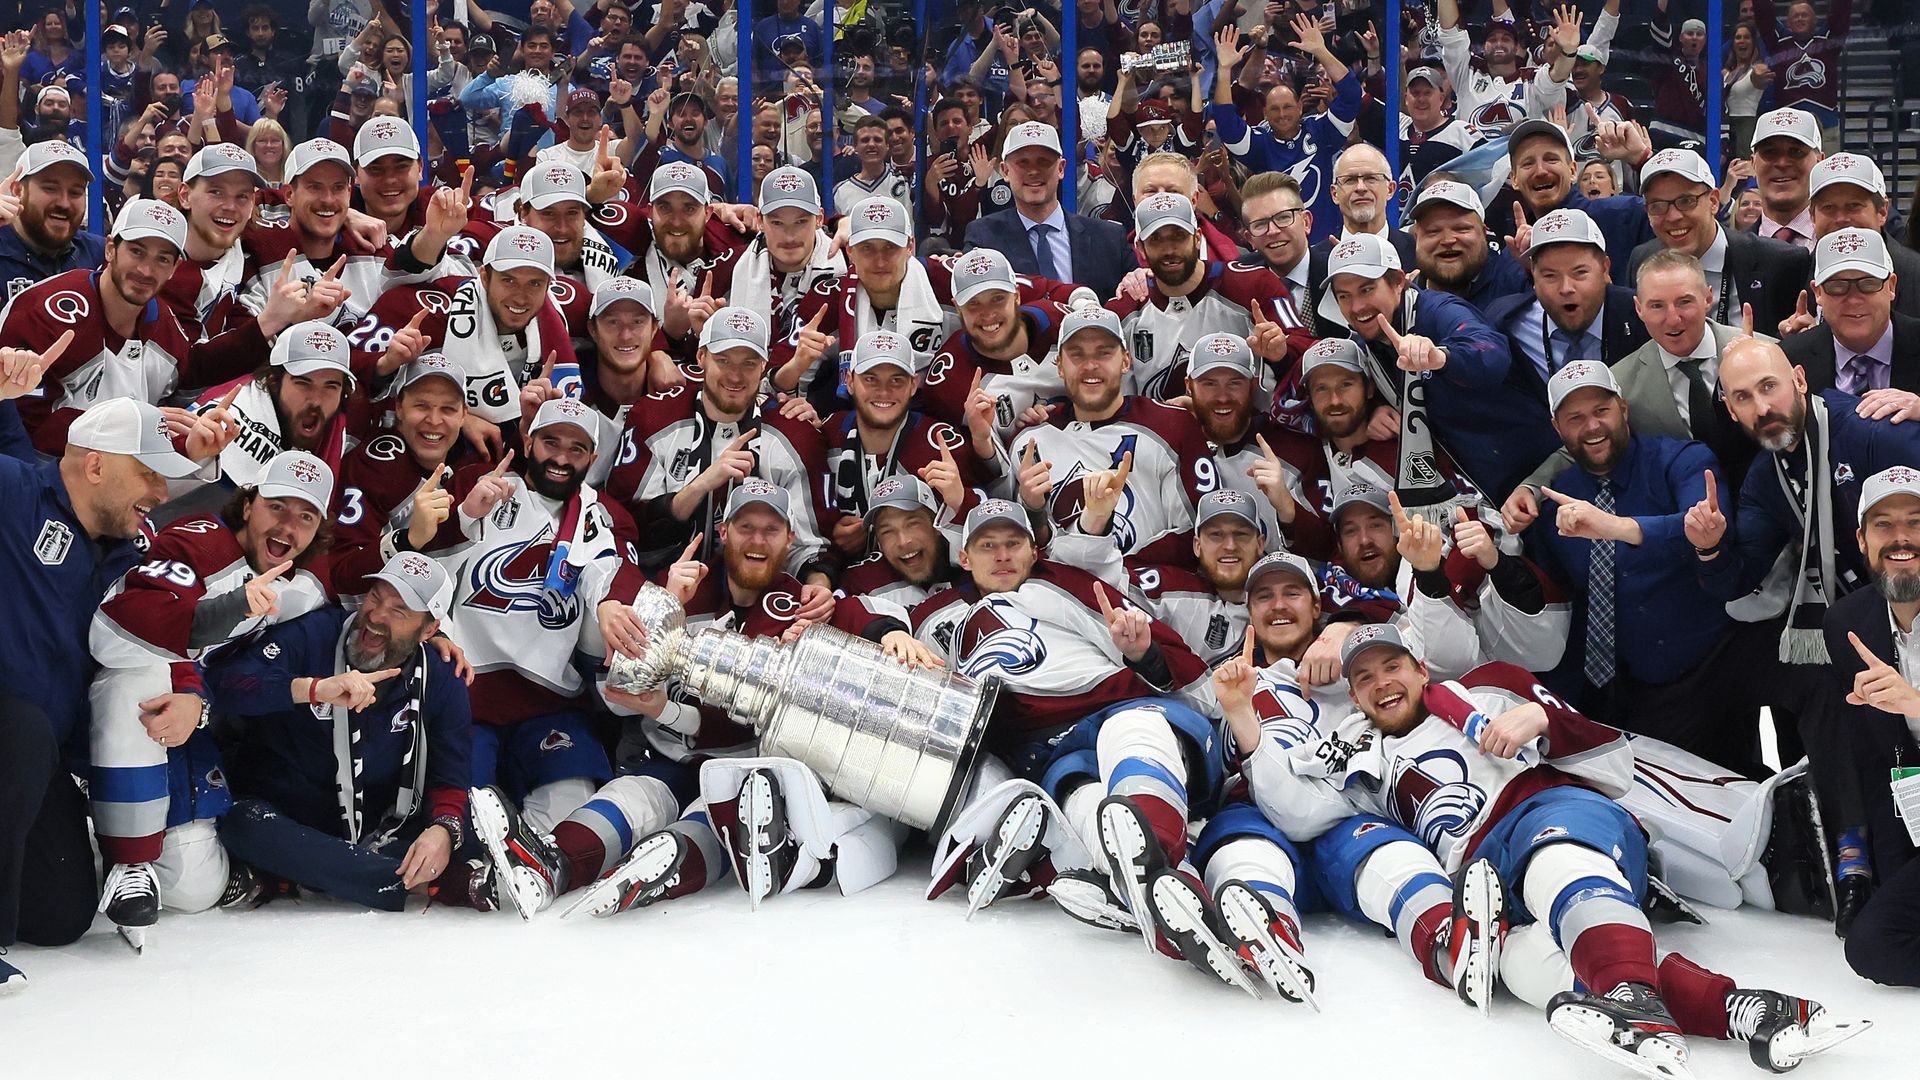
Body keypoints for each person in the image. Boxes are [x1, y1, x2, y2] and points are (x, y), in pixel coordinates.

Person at [1248, 622, 1863, 1076]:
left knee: (1556, 862)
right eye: (1364, 679)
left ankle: (1629, 997)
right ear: (1353, 698)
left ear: (1419, 666)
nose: (1382, 684)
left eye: (1392, 667)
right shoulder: (1358, 760)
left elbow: (1618, 762)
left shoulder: (1486, 690)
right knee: (1519, 958)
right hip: (1481, 871)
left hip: (1549, 810)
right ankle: (1750, 1010)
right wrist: (1240, 717)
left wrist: (1544, 723)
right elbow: (1300, 813)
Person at [0, 393, 220, 990]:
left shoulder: (135, 551)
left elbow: (160, 628)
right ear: (95, 464)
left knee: (59, 917)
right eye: (147, 473)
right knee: (19, 727)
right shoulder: (15, 491)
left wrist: (192, 693)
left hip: (36, 759)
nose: (160, 493)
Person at [85, 450, 338, 945]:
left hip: (179, 721)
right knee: (144, 678)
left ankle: (116, 842)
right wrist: (189, 691)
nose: (289, 525)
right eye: (277, 507)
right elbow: (136, 628)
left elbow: (356, 591)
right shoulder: (198, 541)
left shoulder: (294, 586)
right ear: (248, 506)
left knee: (194, 886)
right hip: (106, 695)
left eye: (305, 516)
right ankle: (126, 858)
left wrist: (433, 630)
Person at [206, 552, 481, 912]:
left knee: (474, 813)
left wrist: (444, 831)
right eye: (375, 598)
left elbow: (450, 771)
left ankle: (330, 874)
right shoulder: (315, 634)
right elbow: (223, 685)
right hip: (286, 819)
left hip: (380, 830)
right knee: (243, 824)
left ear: (429, 630)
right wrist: (311, 689)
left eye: (399, 611)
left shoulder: (441, 674)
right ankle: (423, 882)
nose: (377, 616)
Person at [1522, 361, 1755, 770]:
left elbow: (1705, 523)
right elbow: (1559, 602)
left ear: (1624, 409)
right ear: (1557, 428)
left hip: (1708, 670)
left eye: (1601, 410)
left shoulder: (1682, 460)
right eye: (1575, 418)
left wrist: (1617, 527)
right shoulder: (1557, 500)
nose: (1592, 426)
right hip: (1617, 692)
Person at [1, 198, 260, 456]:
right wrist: (132, 425)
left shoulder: (163, 325)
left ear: (174, 268)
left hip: (112, 476)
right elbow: (29, 430)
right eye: (136, 251)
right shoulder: (44, 312)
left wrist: (189, 444)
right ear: (110, 249)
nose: (146, 270)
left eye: (162, 259)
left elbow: (181, 387)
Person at [605, 305, 834, 579]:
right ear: (701, 357)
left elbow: (812, 550)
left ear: (763, 366)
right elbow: (630, 529)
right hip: (665, 590)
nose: (735, 376)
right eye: (723, 360)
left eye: (748, 363)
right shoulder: (653, 418)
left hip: (761, 598)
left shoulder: (795, 434)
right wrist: (701, 485)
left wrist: (817, 587)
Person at [1007, 307, 1216, 568]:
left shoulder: (1172, 426)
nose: (1090, 365)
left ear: (1126, 361)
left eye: (1104, 353)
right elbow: (1025, 551)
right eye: (1077, 354)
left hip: (1148, 597)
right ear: (1059, 365)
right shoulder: (1029, 440)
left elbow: (1198, 531)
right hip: (1060, 600)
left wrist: (1118, 578)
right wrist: (1033, 510)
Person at [1826, 467, 1920, 977]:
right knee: (1875, 941)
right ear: (1862, 540)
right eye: (1884, 525)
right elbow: (1877, 755)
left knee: (1876, 943)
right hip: (1911, 797)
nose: (1901, 537)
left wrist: (1917, 703)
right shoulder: (1846, 622)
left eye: (1916, 522)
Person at [1108, 192, 1293, 403]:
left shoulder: (1255, 285)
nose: (1169, 249)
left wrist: (1282, 353)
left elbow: (1304, 347)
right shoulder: (1125, 309)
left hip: (1248, 433)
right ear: (1140, 248)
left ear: (1197, 238)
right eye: (1156, 239)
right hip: (1156, 435)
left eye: (1179, 235)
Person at [1628, 148, 1811, 340]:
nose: (1673, 216)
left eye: (1686, 201)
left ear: (1714, 202)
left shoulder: (1780, 262)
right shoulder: (1642, 261)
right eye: (1657, 206)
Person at [1209, 17, 1360, 243]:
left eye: (1288, 106)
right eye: (1275, 109)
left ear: (1300, 107)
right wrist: (1224, 70)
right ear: (1265, 115)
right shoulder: (1261, 145)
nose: (1282, 114)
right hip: (1282, 246)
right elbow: (1227, 124)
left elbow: (1351, 95)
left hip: (1327, 244)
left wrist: (1321, 51)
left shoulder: (1322, 130)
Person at [1484, 208, 1650, 406]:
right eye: (1550, 276)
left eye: (1580, 273)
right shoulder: (1506, 322)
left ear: (1605, 268)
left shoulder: (1643, 316)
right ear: (1532, 276)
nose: (1566, 288)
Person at [962, 122, 1137, 300]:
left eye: (1043, 161)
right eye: (1023, 162)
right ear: (1005, 171)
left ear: (1061, 168)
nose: (1033, 171)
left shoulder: (1109, 238)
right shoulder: (983, 239)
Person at [1781, 228, 1919, 398]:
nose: (1854, 299)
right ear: (1817, 293)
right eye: (1837, 287)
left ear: (1891, 286)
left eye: (1868, 284)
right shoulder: (1788, 360)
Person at [1806, 154, 1920, 320]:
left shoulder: (1915, 276)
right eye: (1828, 207)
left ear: (1882, 211)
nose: (1841, 219)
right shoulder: (1798, 271)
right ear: (1812, 217)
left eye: (1854, 206)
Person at [1407, 181, 1530, 314]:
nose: (1448, 240)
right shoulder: (1402, 301)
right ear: (1416, 238)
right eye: (1433, 231)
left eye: (1461, 229)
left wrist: (1536, 269)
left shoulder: (1514, 282)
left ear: (1483, 233)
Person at [0, 140, 104, 297]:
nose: (64, 203)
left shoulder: (100, 255)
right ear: (17, 190)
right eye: (50, 189)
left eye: (75, 192)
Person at [1749, 106, 1822, 251]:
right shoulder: (1731, 252)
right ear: (1753, 164)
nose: (1782, 163)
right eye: (1770, 152)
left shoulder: (1847, 248)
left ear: (1820, 162)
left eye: (1796, 152)